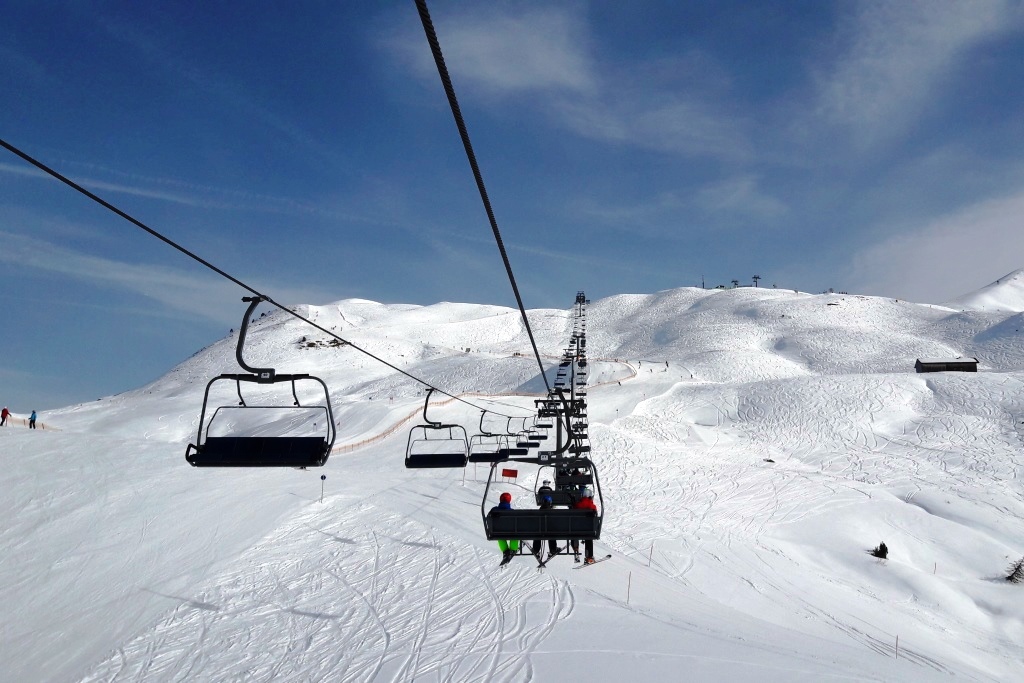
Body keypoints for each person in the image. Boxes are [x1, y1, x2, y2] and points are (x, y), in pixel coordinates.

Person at [489, 492, 520, 564]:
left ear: (500, 500)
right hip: (511, 532)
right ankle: (513, 549)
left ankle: (506, 551)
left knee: (499, 535)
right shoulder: (512, 512)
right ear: (509, 501)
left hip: (497, 532)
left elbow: (489, 518)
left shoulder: (494, 510)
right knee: (515, 535)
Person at [570, 485, 598, 564]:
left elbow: (574, 510)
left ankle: (576, 550)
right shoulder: (592, 506)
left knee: (573, 534)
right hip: (588, 529)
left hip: (577, 529)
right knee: (589, 538)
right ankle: (589, 557)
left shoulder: (578, 505)